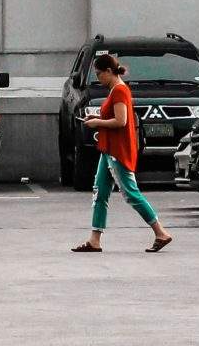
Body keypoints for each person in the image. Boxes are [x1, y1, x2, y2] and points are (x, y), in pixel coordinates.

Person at [73, 51, 171, 253]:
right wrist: (98, 117)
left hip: (117, 150)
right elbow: (116, 118)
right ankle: (94, 240)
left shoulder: (118, 91)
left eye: (99, 74)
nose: (98, 78)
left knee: (130, 194)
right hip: (109, 149)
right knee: (99, 193)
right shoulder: (116, 90)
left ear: (109, 71)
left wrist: (96, 122)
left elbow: (121, 121)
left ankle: (161, 232)